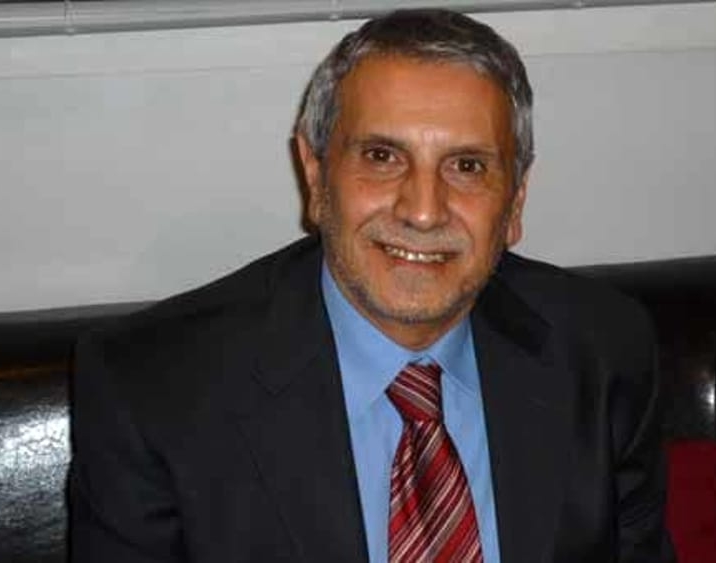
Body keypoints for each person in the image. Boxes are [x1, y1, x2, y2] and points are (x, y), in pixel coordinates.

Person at [70, 8, 674, 563]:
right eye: (382, 157)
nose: (423, 211)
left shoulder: (603, 352)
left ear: (514, 202)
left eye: (467, 166)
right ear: (315, 176)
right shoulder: (152, 394)